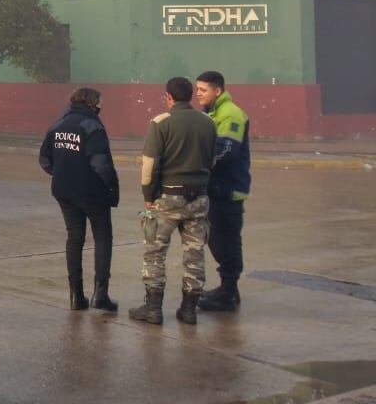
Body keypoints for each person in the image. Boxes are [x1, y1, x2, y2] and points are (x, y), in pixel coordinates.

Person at [128, 77, 216, 326]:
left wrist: (148, 196)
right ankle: (189, 309)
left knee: (154, 253)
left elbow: (149, 165)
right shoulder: (207, 122)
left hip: (167, 197)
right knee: (195, 253)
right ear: (190, 95)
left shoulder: (160, 123)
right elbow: (212, 161)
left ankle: (153, 308)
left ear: (168, 96)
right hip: (199, 196)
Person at [39, 87, 120, 312]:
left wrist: (63, 173)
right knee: (103, 237)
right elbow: (100, 164)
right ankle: (100, 295)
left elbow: (44, 160)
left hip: (64, 192)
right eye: (100, 103)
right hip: (92, 192)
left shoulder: (57, 125)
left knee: (74, 239)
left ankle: (76, 296)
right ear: (92, 103)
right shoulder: (92, 126)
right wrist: (111, 185)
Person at [195, 70, 251, 312]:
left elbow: (227, 150)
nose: (198, 94)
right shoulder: (211, 114)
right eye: (197, 90)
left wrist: (196, 163)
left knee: (226, 239)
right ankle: (228, 288)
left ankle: (228, 291)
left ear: (217, 91)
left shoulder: (231, 114)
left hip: (228, 189)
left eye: (203, 90)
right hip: (215, 188)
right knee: (216, 238)